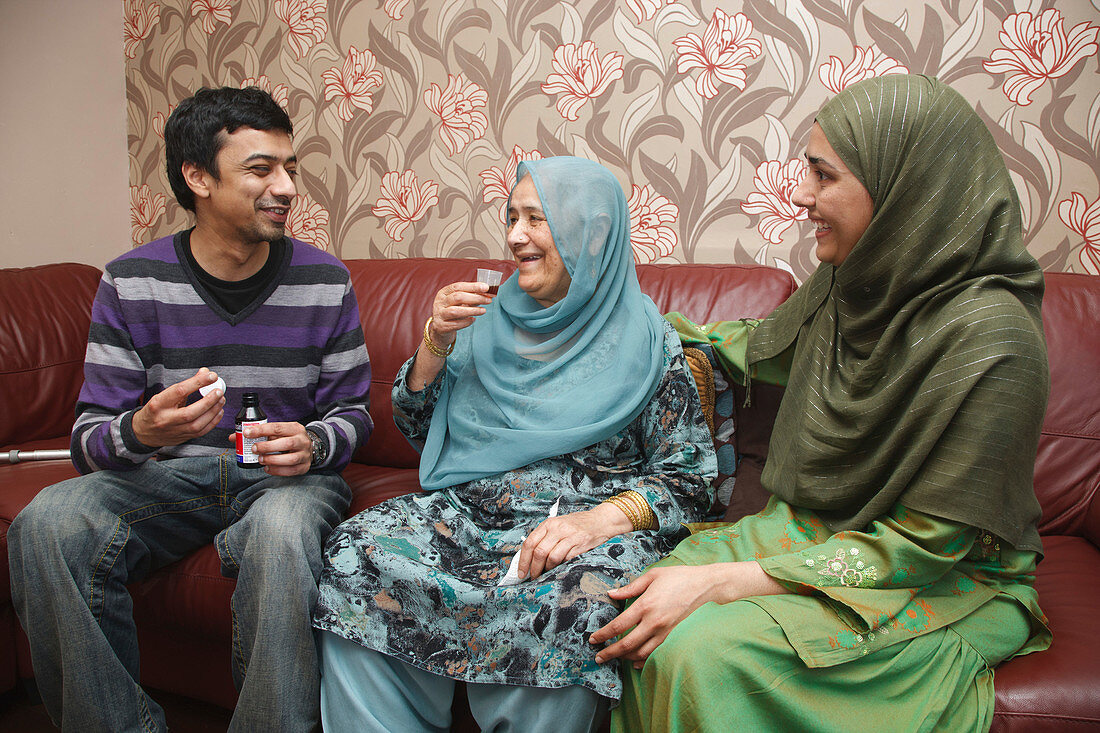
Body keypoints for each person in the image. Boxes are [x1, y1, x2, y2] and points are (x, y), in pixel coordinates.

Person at [591, 74, 1052, 731]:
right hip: (820, 530)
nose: (801, 196)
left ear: (905, 187)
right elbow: (758, 346)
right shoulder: (854, 282)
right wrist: (626, 325)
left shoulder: (995, 343)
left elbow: (920, 549)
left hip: (940, 575)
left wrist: (725, 581)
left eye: (823, 175)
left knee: (695, 651)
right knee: (637, 611)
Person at [8, 86, 372, 732]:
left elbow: (353, 412)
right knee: (44, 524)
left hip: (284, 483)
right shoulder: (130, 281)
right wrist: (141, 429)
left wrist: (315, 443)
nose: (286, 186)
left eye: (291, 167)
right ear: (197, 176)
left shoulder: (326, 280)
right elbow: (89, 438)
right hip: (170, 479)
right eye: (261, 169)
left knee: (284, 538)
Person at [312, 156, 717, 732]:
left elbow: (690, 479)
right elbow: (423, 431)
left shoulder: (650, 343)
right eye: (511, 217)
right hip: (468, 515)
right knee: (357, 549)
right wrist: (436, 341)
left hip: (575, 534)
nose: (514, 236)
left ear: (589, 233)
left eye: (535, 218)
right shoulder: (485, 319)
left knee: (579, 603)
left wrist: (600, 522)